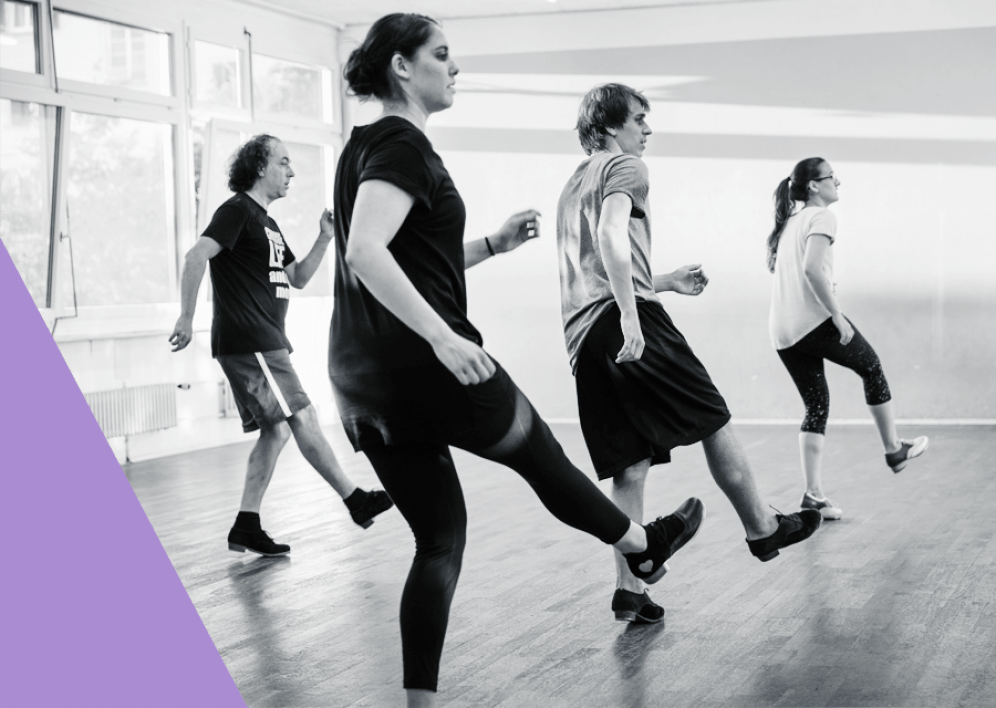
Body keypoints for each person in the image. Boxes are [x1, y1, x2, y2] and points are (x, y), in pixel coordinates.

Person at [331, 15, 704, 708]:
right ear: (401, 68)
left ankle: (420, 705)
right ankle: (642, 545)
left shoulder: (360, 148)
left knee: (440, 540)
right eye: (441, 55)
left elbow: (409, 255)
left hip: (360, 382)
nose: (455, 67)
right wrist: (443, 339)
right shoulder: (403, 143)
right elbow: (363, 253)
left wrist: (492, 246)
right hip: (426, 365)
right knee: (543, 457)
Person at [555, 83, 823, 626]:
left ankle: (630, 588)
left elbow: (596, 258)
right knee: (714, 417)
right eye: (639, 120)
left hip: (583, 339)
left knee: (629, 466)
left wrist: (665, 280)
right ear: (610, 127)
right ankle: (762, 528)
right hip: (626, 321)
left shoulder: (573, 183)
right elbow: (611, 235)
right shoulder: (625, 167)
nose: (647, 130)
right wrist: (633, 314)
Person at [169, 134, 393, 557]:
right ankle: (354, 498)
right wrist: (186, 316)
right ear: (259, 167)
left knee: (275, 432)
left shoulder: (267, 224)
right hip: (251, 338)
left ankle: (246, 525)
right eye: (284, 163)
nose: (291, 171)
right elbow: (196, 256)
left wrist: (326, 236)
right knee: (303, 414)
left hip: (262, 340)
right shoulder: (236, 212)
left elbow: (300, 276)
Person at [766, 157, 928, 520]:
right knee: (871, 367)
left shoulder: (790, 221)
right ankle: (893, 449)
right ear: (813, 186)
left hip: (783, 331)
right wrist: (837, 315)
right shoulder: (822, 216)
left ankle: (813, 496)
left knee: (816, 404)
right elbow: (810, 268)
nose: (837, 183)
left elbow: (794, 271)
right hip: (814, 321)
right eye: (831, 178)